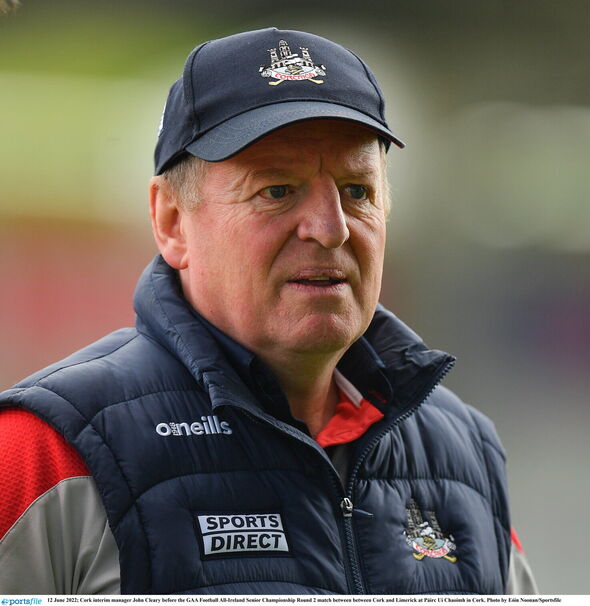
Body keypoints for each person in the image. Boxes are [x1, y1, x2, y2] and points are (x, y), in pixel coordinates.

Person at [0, 27, 536, 594]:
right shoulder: (46, 455)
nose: (330, 229)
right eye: (277, 190)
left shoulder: (463, 456)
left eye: (357, 191)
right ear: (172, 221)